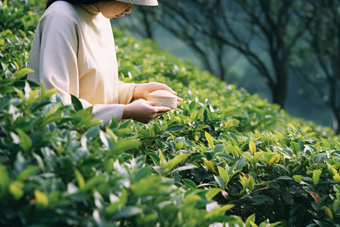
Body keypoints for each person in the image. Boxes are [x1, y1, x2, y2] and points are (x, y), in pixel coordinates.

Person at [28, 0, 182, 125]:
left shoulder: (101, 16)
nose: (129, 10)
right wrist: (125, 111)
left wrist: (138, 90)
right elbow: (56, 104)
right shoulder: (61, 17)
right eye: (126, 1)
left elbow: (94, 85)